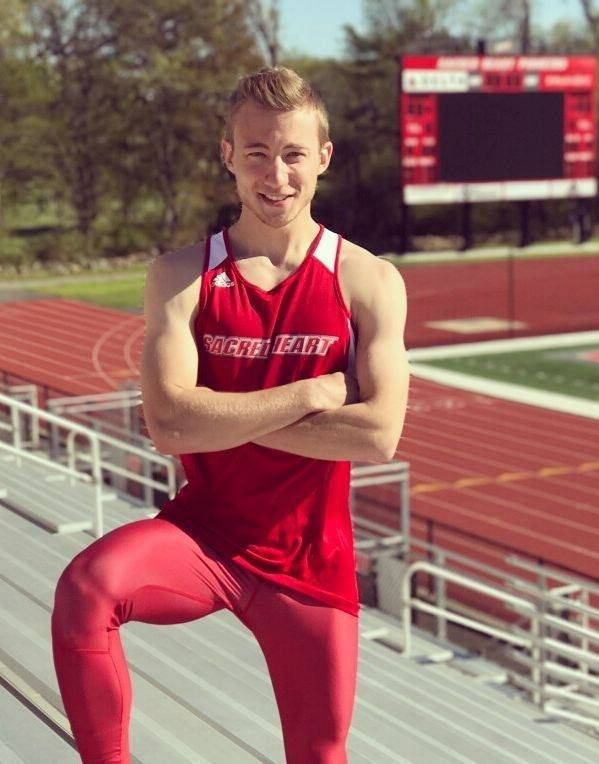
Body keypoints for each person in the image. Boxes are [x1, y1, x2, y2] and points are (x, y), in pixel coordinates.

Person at [51, 66, 409, 764]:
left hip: (311, 560)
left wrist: (213, 416)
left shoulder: (367, 279)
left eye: (293, 154)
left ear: (323, 159)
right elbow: (168, 427)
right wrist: (312, 393)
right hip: (205, 540)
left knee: (320, 754)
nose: (276, 175)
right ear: (228, 156)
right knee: (86, 591)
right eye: (256, 154)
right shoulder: (182, 276)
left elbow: (377, 436)